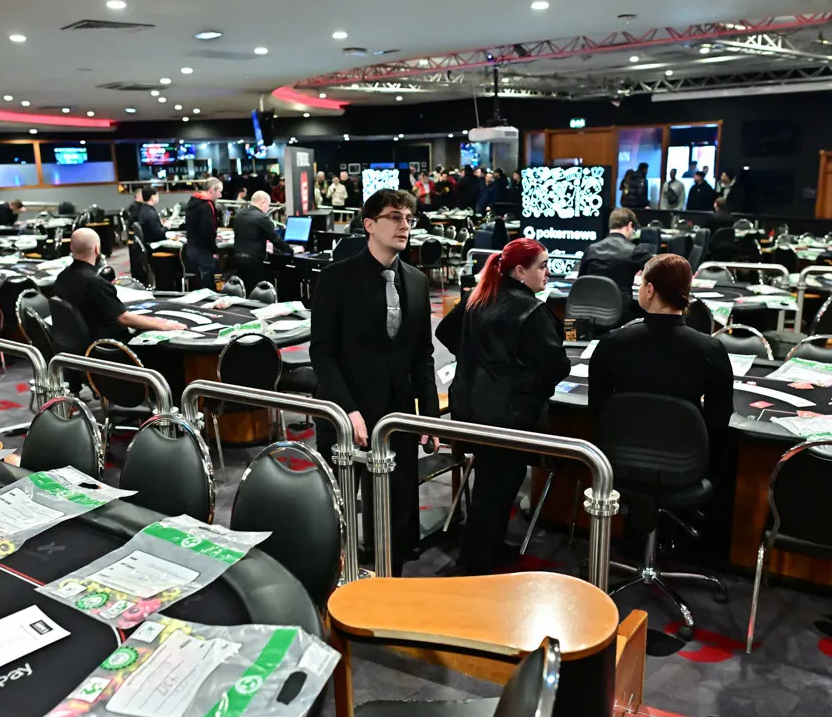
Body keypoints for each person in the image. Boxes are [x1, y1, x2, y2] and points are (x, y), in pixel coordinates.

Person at [310, 188, 440, 576]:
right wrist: (348, 409)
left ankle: (389, 580)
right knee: (340, 508)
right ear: (369, 224)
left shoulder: (416, 281)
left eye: (409, 219)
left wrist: (429, 416)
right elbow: (322, 353)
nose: (405, 226)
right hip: (345, 410)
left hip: (397, 413)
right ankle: (337, 582)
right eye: (395, 217)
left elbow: (423, 355)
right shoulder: (336, 278)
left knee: (397, 507)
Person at [435, 238, 570, 574]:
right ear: (520, 271)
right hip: (509, 417)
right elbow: (556, 366)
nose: (548, 272)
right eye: (542, 266)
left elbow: (445, 331)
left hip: (470, 409)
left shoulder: (480, 296)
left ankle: (485, 555)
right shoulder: (531, 311)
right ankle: (476, 566)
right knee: (497, 488)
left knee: (490, 486)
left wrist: (476, 358)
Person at [588, 253, 735, 479]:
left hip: (618, 463)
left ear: (649, 290)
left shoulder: (612, 343)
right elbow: (719, 420)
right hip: (685, 466)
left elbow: (597, 408)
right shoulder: (710, 349)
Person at [54, 228, 184, 341]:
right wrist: (161, 324)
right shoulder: (96, 284)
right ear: (97, 249)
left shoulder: (61, 277)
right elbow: (124, 319)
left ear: (71, 248)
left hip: (81, 345)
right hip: (108, 348)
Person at [578, 207, 656, 320]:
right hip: (621, 314)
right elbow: (661, 269)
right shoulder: (634, 251)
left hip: (589, 313)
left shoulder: (591, 249)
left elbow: (580, 281)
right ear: (629, 226)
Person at [232, 191, 292, 292]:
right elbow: (275, 239)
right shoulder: (262, 217)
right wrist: (291, 250)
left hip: (237, 258)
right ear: (262, 202)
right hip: (253, 261)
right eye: (267, 205)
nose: (267, 209)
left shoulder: (239, 214)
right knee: (254, 291)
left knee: (242, 290)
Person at [184, 177, 222, 289]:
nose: (220, 195)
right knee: (208, 287)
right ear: (212, 190)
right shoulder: (207, 206)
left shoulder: (192, 202)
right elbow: (208, 232)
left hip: (191, 249)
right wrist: (214, 250)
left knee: (199, 285)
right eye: (219, 191)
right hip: (203, 252)